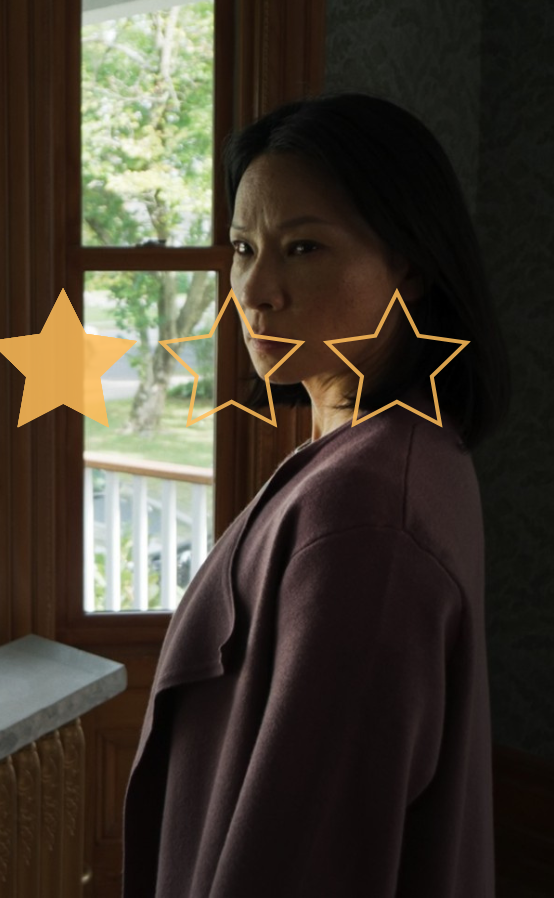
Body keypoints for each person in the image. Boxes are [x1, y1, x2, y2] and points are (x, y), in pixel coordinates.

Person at [121, 94, 511, 897]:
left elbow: (308, 861)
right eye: (243, 247)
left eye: (302, 247)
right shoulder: (400, 448)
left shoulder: (366, 515)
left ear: (410, 264)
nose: (254, 289)